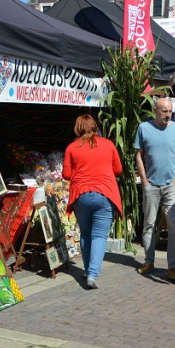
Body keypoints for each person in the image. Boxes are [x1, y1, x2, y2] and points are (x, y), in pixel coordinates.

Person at [62, 114, 122, 289]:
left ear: (78, 128)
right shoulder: (109, 145)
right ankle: (92, 274)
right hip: (105, 194)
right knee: (99, 236)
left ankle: (88, 270)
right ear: (95, 126)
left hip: (81, 194)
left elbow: (66, 174)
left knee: (86, 234)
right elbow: (118, 169)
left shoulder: (72, 147)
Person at [134, 96, 175, 281]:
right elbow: (139, 155)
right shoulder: (144, 128)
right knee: (149, 224)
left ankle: (172, 267)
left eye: (170, 111)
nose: (168, 115)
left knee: (174, 226)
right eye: (164, 111)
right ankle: (149, 261)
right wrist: (144, 180)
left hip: (171, 185)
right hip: (151, 184)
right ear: (155, 110)